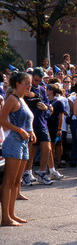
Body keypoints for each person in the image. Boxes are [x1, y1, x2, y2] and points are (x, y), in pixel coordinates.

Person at [0, 72, 35, 226]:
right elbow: (1, 120)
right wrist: (19, 130)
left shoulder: (22, 99)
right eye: (26, 82)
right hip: (13, 142)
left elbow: (27, 120)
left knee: (16, 182)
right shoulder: (12, 99)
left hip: (23, 143)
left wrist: (31, 131)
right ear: (17, 84)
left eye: (30, 82)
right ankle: (5, 218)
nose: (29, 85)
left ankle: (12, 214)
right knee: (8, 181)